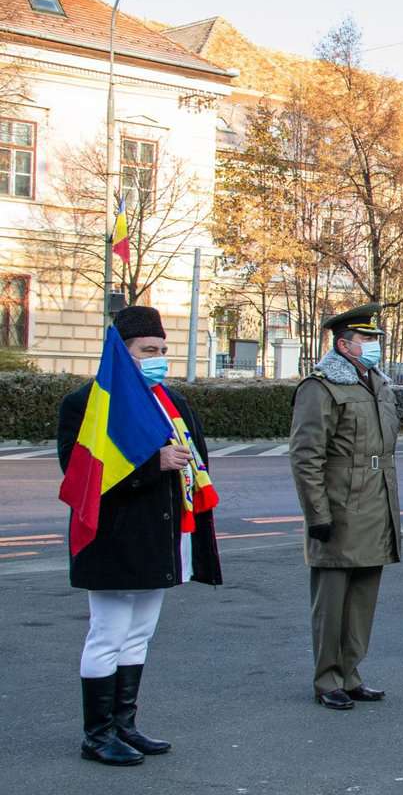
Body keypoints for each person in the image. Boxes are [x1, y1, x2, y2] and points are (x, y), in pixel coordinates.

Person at [57, 305, 222, 765]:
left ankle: (124, 725)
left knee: (138, 638)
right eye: (149, 350)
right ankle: (97, 735)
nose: (160, 359)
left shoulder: (171, 403)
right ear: (122, 353)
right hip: (113, 543)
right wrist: (153, 467)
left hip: (160, 540)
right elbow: (78, 477)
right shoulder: (87, 403)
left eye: (163, 350)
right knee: (107, 636)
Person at [289, 304, 400, 710]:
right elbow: (306, 457)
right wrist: (316, 514)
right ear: (343, 345)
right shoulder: (320, 387)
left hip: (375, 504)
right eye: (366, 340)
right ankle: (327, 679)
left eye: (375, 340)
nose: (374, 347)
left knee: (362, 601)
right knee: (332, 602)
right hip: (339, 507)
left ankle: (352, 674)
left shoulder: (377, 384)